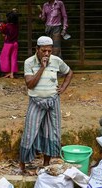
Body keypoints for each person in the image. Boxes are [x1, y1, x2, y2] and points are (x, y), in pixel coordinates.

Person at [19, 36, 73, 173]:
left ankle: (46, 164)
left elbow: (69, 72)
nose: (47, 54)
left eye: (49, 51)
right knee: (30, 132)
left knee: (51, 131)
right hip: (36, 101)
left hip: (53, 101)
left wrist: (63, 87)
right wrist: (42, 68)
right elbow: (30, 84)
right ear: (37, 49)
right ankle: (22, 165)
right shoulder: (29, 62)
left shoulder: (56, 61)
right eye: (44, 51)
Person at [0, 9, 19, 78]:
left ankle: (7, 71)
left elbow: (4, 32)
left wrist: (1, 27)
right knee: (13, 58)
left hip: (8, 43)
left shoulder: (7, 26)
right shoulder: (16, 25)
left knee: (4, 57)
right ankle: (12, 74)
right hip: (15, 43)